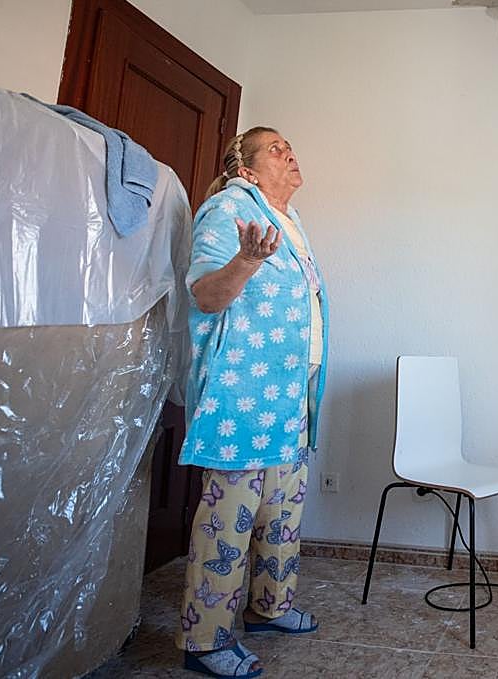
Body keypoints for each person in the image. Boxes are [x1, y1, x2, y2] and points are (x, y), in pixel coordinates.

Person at [174, 127, 329, 678]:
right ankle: (205, 640)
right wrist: (245, 261)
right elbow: (205, 295)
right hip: (243, 397)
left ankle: (269, 609)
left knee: (281, 513)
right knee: (228, 520)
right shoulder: (228, 209)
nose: (290, 152)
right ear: (246, 168)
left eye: (291, 144)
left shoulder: (290, 221)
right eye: (275, 148)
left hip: (289, 397)